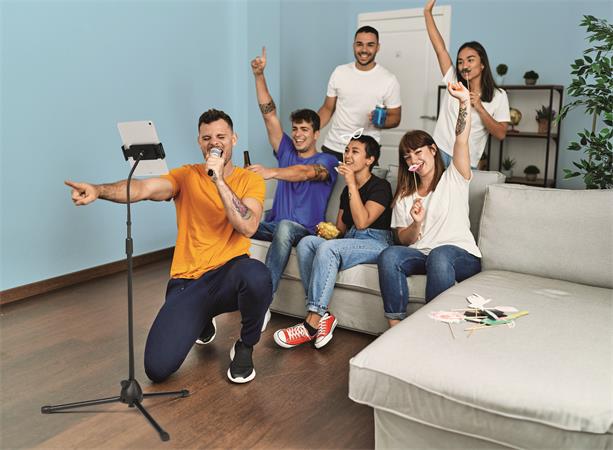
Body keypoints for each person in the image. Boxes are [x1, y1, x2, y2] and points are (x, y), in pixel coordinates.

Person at [64, 109, 272, 384]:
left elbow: (248, 226)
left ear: (233, 139)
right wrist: (98, 190)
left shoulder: (250, 180)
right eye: (206, 137)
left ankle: (245, 346)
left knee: (257, 275)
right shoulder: (186, 176)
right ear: (199, 142)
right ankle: (201, 319)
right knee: (157, 368)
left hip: (228, 275)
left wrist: (219, 179)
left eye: (221, 136)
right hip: (188, 282)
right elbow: (144, 189)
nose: (214, 142)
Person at [377, 82, 482, 327]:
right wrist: (416, 223)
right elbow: (404, 241)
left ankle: (431, 328)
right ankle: (395, 328)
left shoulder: (454, 177)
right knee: (390, 255)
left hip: (460, 255)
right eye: (408, 156)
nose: (413, 159)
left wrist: (464, 102)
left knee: (439, 254)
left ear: (433, 150)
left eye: (418, 152)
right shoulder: (405, 195)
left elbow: (461, 139)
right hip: (423, 254)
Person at [273, 134, 393, 349]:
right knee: (307, 243)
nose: (348, 155)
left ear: (370, 160)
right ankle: (325, 316)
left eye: (355, 151)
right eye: (346, 150)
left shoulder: (381, 186)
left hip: (376, 241)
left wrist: (351, 184)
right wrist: (325, 231)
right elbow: (341, 230)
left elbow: (362, 222)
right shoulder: (347, 190)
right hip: (350, 240)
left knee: (328, 249)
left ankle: (311, 324)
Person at [248, 47, 339, 306]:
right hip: (274, 225)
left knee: (286, 227)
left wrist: (272, 172)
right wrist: (259, 75)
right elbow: (268, 115)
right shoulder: (286, 150)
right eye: (296, 129)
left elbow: (305, 173)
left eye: (305, 130)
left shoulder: (327, 161)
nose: (298, 134)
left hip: (304, 230)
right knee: (235, 221)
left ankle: (262, 303)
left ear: (316, 134)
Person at [424, 0, 510, 168]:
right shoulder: (454, 82)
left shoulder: (499, 95)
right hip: (440, 152)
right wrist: (427, 12)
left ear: (482, 64)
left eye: (470, 60)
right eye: (460, 61)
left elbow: (501, 134)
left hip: (466, 160)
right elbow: (440, 49)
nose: (464, 66)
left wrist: (479, 107)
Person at [318, 25, 402, 161]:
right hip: (334, 146)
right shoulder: (339, 72)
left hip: (365, 151)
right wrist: (311, 130)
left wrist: (380, 121)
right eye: (359, 44)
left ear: (378, 47)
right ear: (354, 46)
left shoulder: (389, 79)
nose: (364, 50)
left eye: (370, 45)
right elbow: (327, 108)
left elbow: (396, 117)